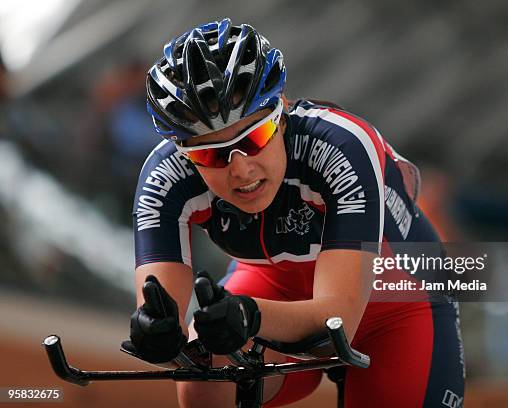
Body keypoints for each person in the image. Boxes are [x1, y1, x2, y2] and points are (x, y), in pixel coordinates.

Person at [128, 19, 465, 407]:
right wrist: (157, 330)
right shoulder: (164, 177)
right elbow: (159, 306)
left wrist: (247, 316)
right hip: (273, 288)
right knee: (203, 384)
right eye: (209, 154)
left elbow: (336, 321)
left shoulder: (340, 145)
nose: (241, 170)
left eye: (253, 138)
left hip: (397, 303)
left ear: (281, 111)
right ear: (184, 153)